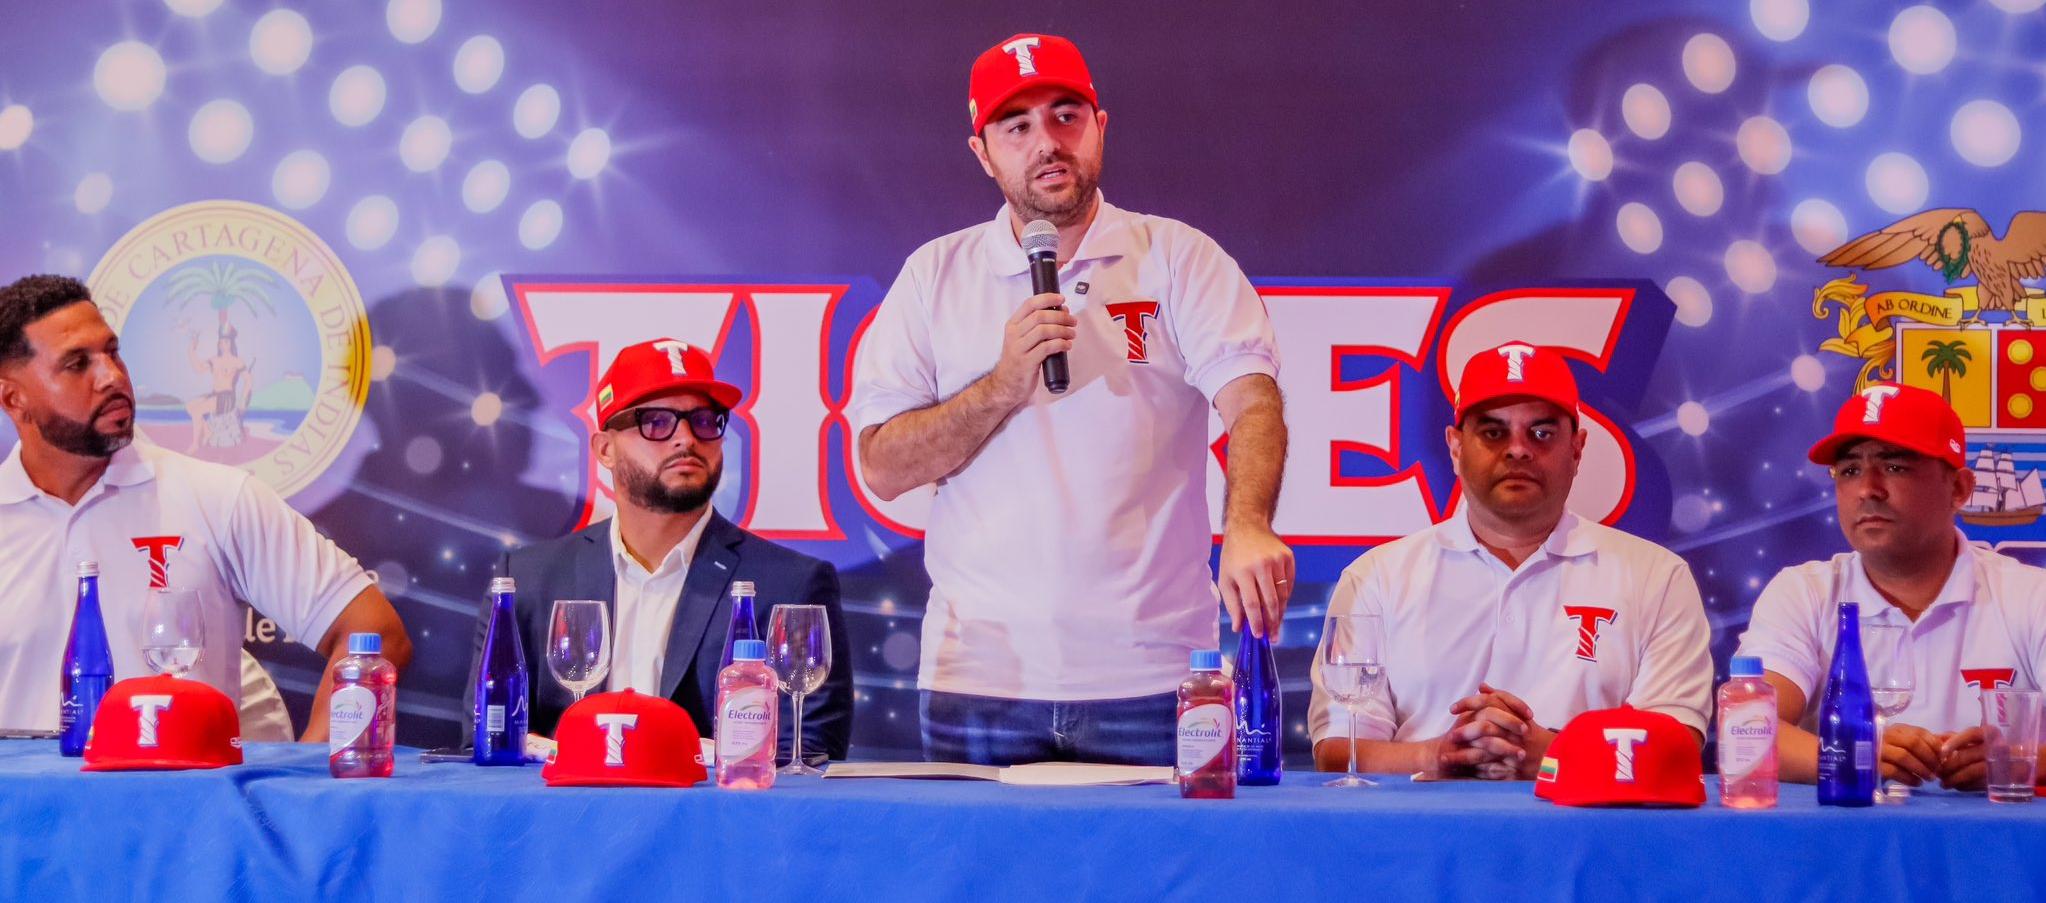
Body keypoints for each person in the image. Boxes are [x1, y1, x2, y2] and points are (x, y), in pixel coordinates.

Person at [851, 33, 1291, 766]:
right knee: (978, 885)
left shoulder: (1178, 257)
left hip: (1153, 675)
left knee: (1162, 883)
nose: (1046, 142)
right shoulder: (935, 275)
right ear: (983, 152)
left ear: (1100, 127)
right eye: (1017, 126)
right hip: (978, 680)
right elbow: (884, 465)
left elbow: (1253, 401)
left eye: (1064, 116)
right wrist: (1000, 386)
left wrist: (1247, 523)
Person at [0, 274, 410, 740]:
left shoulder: (217, 498)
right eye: (77, 364)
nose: (112, 376)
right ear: (15, 399)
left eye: (112, 351)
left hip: (184, 810)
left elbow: (375, 633)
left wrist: (308, 782)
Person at [1307, 342, 1711, 777]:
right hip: (1419, 835)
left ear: (1577, 449)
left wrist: (1553, 755)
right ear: (1456, 447)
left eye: (1541, 433)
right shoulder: (1378, 578)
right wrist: (1439, 755)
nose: (1518, 450)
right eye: (1494, 432)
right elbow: (1337, 750)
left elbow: (1678, 748)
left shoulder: (1656, 577)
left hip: (1591, 836)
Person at [487, 339, 854, 762]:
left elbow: (808, 757)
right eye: (656, 422)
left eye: (703, 420)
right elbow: (489, 742)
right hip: (566, 818)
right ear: (604, 449)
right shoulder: (529, 579)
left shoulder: (790, 583)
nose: (686, 439)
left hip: (713, 823)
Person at [1736, 383, 2046, 791]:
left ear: (1959, 489)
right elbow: (1747, 726)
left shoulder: (2030, 594)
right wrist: (1852, 755)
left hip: (1995, 849)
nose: (1868, 489)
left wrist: (2025, 759)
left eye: (1895, 467)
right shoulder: (1803, 592)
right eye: (1849, 471)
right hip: (1843, 847)